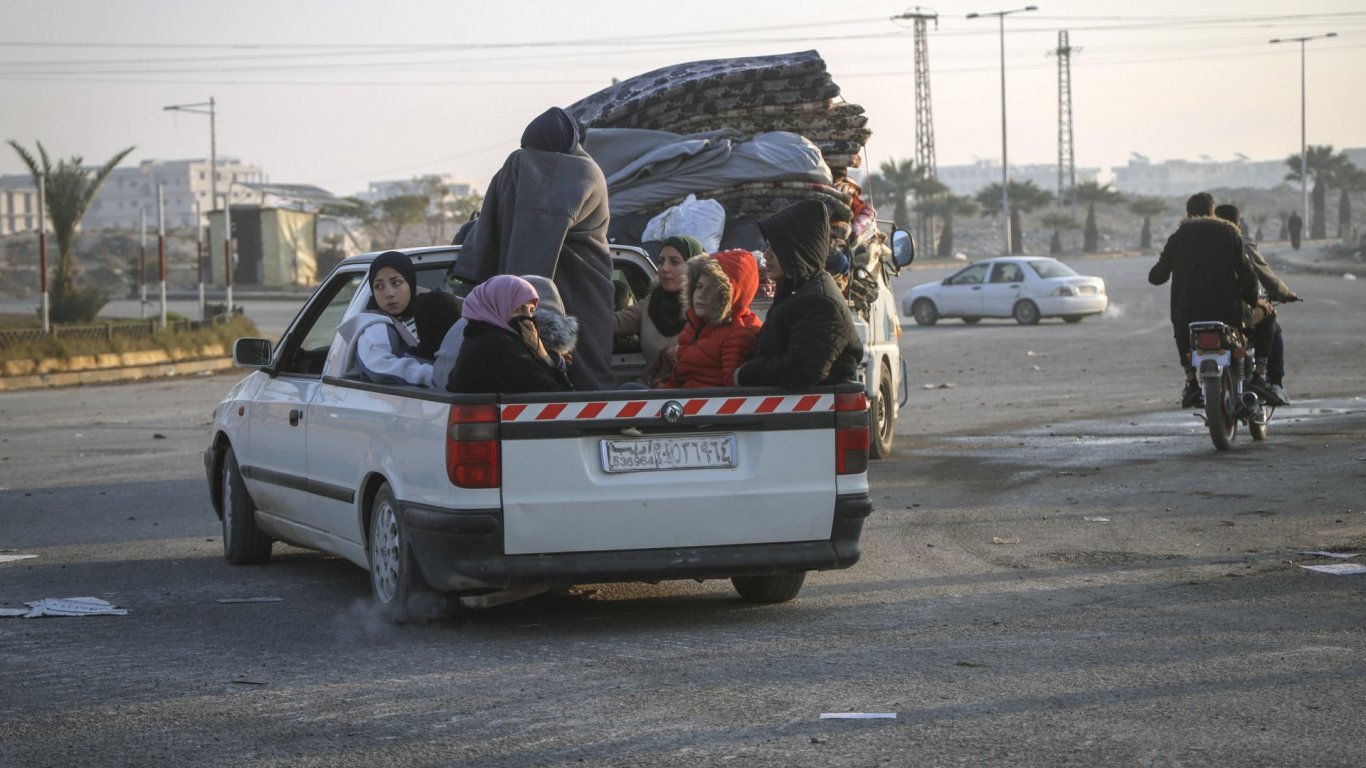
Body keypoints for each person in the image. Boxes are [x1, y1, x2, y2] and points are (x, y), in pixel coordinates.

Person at [450, 106, 615, 391]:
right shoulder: (532, 172)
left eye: (534, 156)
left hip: (584, 286)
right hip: (553, 289)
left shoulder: (584, 173)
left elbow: (542, 215)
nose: (528, 166)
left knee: (588, 371)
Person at [733, 200, 863, 389]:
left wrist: (746, 373)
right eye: (766, 246)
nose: (766, 254)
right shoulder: (795, 290)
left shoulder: (819, 302)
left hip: (814, 415)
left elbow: (802, 369)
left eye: (774, 247)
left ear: (797, 249)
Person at [1148, 193, 1260, 408]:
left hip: (1187, 314)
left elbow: (1156, 277)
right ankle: (1245, 380)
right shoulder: (1230, 234)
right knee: (1242, 337)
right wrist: (1252, 299)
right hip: (1227, 311)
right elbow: (1247, 276)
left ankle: (1191, 382)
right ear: (1213, 212)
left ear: (1189, 214)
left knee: (1181, 331)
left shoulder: (1177, 238)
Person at [1214, 204, 1301, 405]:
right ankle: (1267, 378)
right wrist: (1286, 293)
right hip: (1237, 312)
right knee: (1271, 320)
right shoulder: (1242, 244)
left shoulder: (1201, 246)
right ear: (1239, 224)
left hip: (1204, 311)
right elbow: (1265, 276)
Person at [447, 275, 572, 394]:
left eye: (532, 311)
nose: (528, 318)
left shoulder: (478, 337)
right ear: (498, 306)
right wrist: (541, 352)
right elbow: (561, 396)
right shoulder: (500, 348)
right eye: (519, 309)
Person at [659, 250, 761, 389]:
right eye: (699, 287)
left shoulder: (739, 333)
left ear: (730, 295)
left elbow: (731, 392)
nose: (700, 295)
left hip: (702, 406)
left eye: (711, 289)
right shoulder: (696, 325)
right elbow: (681, 377)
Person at [613, 235, 701, 386]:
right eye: (661, 262)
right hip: (651, 391)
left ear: (693, 267)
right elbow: (610, 323)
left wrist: (685, 353)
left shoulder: (703, 308)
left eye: (674, 262)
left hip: (692, 394)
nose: (664, 268)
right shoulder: (650, 303)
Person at [337, 250, 432, 387]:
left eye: (396, 283)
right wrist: (436, 376)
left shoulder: (431, 312)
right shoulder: (375, 325)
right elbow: (379, 366)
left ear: (410, 283)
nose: (389, 293)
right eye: (379, 286)